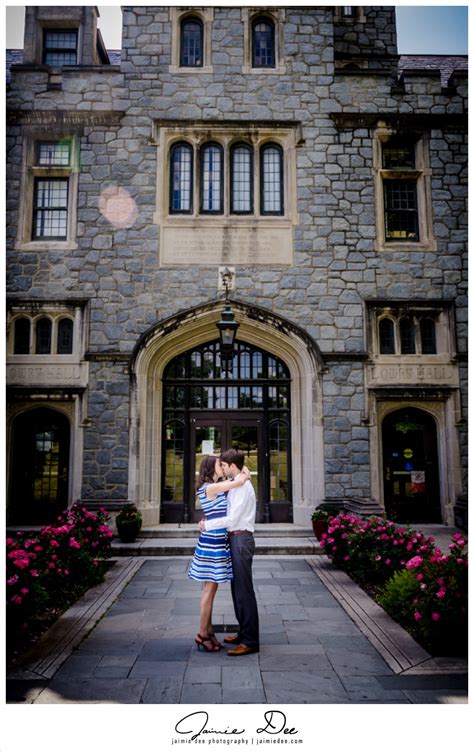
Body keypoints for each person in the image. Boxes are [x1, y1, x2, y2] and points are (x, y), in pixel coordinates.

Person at [199, 448, 259, 656]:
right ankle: (243, 632)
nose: (222, 467)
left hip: (241, 538)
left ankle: (251, 640)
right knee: (237, 590)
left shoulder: (242, 487)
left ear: (232, 466)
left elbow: (232, 520)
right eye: (220, 464)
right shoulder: (235, 484)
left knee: (244, 591)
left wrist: (207, 525)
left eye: (224, 464)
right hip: (234, 539)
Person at [188, 455, 250, 653]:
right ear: (210, 468)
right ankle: (202, 634)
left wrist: (242, 471)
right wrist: (244, 474)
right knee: (209, 590)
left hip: (216, 539)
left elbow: (236, 477)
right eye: (218, 464)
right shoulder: (210, 487)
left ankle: (208, 631)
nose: (222, 467)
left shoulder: (217, 484)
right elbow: (239, 480)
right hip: (212, 541)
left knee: (211, 590)